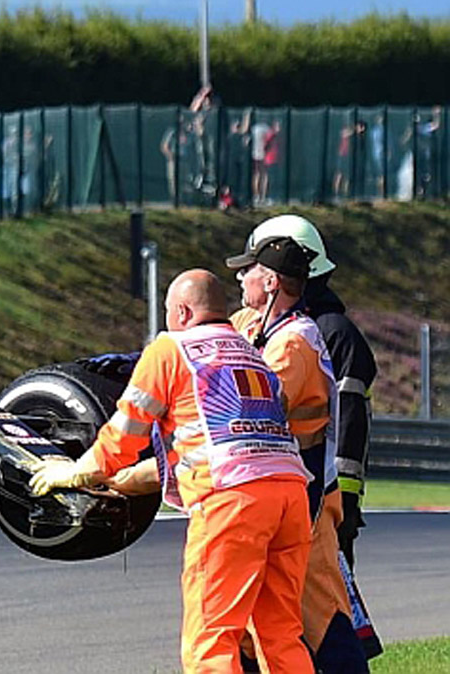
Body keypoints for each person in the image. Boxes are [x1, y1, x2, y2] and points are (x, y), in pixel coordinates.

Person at [30, 269, 313, 674]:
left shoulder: (172, 349)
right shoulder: (251, 351)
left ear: (181, 311)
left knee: (211, 639)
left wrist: (77, 472)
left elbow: (124, 432)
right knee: (281, 634)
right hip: (290, 493)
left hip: (231, 499)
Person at [226, 235, 373, 673]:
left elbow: (250, 412)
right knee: (256, 619)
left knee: (323, 620)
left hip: (304, 503)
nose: (239, 275)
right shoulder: (252, 325)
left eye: (248, 269)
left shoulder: (293, 343)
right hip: (280, 498)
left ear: (270, 282)